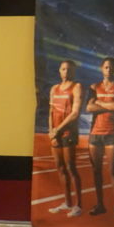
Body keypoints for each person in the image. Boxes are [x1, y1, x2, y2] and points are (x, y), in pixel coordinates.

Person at [86, 57, 114, 217]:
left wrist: (100, 103)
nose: (109, 70)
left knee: (112, 170)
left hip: (112, 133)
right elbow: (89, 107)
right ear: (101, 69)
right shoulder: (93, 86)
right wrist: (107, 105)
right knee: (96, 171)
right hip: (95, 133)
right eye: (106, 67)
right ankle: (100, 205)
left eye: (111, 67)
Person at [47, 60, 84, 217]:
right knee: (60, 168)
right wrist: (51, 132)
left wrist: (58, 129)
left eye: (69, 69)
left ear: (73, 72)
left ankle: (78, 205)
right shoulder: (54, 88)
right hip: (56, 133)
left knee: (71, 168)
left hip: (68, 133)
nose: (66, 72)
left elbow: (75, 113)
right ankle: (67, 202)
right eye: (63, 69)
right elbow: (51, 111)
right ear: (59, 71)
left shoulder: (76, 87)